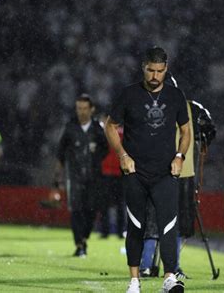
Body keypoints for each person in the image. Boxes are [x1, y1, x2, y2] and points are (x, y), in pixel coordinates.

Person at [104, 47, 190, 293]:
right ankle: (134, 281)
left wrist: (180, 157)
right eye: (150, 70)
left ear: (166, 69)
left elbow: (186, 131)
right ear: (143, 67)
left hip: (165, 172)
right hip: (135, 172)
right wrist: (122, 155)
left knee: (169, 225)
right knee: (136, 225)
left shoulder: (175, 95)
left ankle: (170, 278)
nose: (155, 75)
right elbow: (110, 126)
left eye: (160, 71)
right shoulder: (129, 94)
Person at [139, 73, 216, 279]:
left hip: (158, 175)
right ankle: (172, 267)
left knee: (154, 221)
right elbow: (210, 131)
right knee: (176, 223)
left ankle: (147, 265)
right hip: (181, 175)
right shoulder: (193, 108)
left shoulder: (148, 109)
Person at [55, 94, 109, 257]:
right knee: (76, 210)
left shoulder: (97, 128)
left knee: (91, 210)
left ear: (91, 109)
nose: (82, 112)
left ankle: (84, 237)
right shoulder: (70, 127)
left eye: (85, 108)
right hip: (74, 176)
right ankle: (79, 244)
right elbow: (60, 151)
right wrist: (58, 172)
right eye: (79, 108)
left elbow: (105, 148)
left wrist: (96, 157)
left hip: (93, 176)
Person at [98, 114, 126, 239]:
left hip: (111, 173)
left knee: (107, 204)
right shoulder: (121, 134)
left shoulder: (105, 134)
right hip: (115, 173)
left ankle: (106, 231)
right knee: (119, 204)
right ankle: (120, 231)